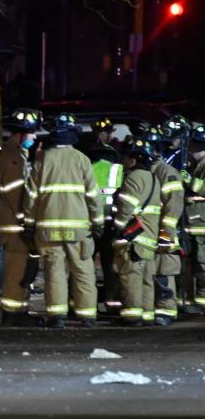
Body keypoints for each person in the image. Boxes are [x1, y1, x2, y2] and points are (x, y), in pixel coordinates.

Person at [24, 113, 103, 328]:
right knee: (83, 271)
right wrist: (98, 223)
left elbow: (31, 196)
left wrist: (29, 224)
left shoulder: (42, 160)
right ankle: (87, 316)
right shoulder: (82, 160)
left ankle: (57, 316)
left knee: (54, 272)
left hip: (48, 230)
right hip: (78, 230)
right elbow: (93, 197)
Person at [0, 108, 43, 326]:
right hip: (15, 226)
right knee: (17, 269)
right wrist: (26, 219)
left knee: (24, 269)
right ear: (20, 134)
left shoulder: (18, 154)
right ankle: (12, 313)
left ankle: (19, 311)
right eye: (31, 134)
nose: (34, 138)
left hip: (15, 224)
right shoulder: (12, 157)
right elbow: (15, 193)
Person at [112, 139, 162, 326]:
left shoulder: (134, 178)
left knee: (131, 277)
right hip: (149, 237)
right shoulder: (153, 178)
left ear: (134, 158)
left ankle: (132, 316)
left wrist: (118, 226)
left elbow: (126, 207)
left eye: (126, 156)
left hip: (134, 239)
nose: (124, 160)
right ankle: (147, 315)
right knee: (146, 279)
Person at [146, 126, 184, 325]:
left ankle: (166, 310)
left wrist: (166, 233)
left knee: (164, 269)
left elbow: (174, 205)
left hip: (162, 230)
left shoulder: (167, 172)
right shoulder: (143, 170)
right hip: (145, 230)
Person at [87, 118, 124, 311]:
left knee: (85, 265)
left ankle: (82, 303)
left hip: (90, 223)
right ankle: (113, 303)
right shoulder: (118, 167)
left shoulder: (86, 165)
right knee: (111, 266)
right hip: (111, 223)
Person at [183, 125, 205, 311]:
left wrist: (188, 180)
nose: (191, 149)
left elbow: (200, 188)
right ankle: (192, 302)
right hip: (193, 222)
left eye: (194, 146)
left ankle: (202, 301)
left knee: (203, 263)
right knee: (193, 263)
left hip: (202, 223)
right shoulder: (196, 164)